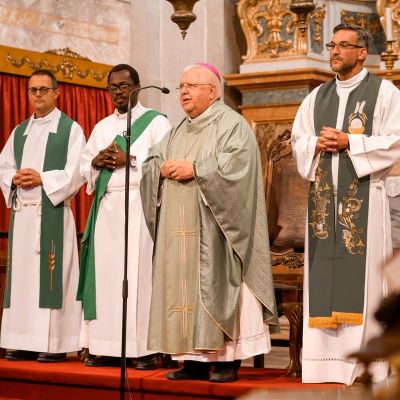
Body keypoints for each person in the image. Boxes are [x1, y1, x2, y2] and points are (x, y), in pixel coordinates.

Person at [140, 63, 278, 383]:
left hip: (219, 233)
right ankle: (194, 361)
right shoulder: (178, 129)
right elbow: (152, 160)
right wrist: (157, 169)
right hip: (179, 230)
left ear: (212, 91)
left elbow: (238, 168)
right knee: (183, 290)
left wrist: (197, 169)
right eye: (181, 86)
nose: (184, 92)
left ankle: (229, 360)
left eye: (191, 85)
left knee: (223, 286)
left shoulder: (232, 124)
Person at [291, 23, 400, 385]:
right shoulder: (316, 97)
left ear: (361, 52)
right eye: (331, 45)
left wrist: (350, 144)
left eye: (343, 46)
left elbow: (396, 139)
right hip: (323, 205)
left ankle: (364, 363)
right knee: (323, 272)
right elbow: (299, 139)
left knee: (364, 278)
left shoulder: (384, 93)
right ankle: (325, 363)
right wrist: (315, 145)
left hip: (366, 201)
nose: (334, 52)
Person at [78, 64, 171, 368]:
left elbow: (165, 163)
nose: (117, 92)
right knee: (106, 278)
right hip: (108, 209)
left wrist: (128, 158)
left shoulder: (157, 123)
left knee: (138, 277)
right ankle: (105, 346)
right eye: (112, 87)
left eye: (123, 86)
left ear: (137, 87)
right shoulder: (102, 127)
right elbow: (84, 170)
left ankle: (141, 349)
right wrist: (96, 161)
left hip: (139, 207)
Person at [0, 69, 85, 362]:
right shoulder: (19, 131)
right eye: (33, 90)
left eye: (43, 89)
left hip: (52, 213)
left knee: (53, 278)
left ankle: (54, 344)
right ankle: (22, 340)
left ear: (56, 92)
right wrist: (13, 178)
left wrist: (41, 178)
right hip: (23, 216)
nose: (37, 94)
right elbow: (4, 164)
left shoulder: (70, 129)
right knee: (23, 280)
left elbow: (77, 172)